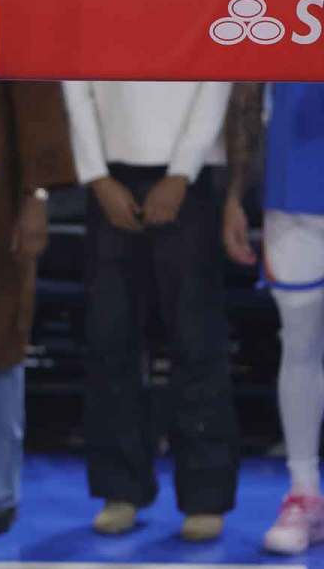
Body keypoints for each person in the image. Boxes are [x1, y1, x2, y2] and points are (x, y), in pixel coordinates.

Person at [64, 73, 237, 540]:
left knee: (197, 342)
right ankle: (120, 490)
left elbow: (215, 74)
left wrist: (182, 172)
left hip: (189, 178)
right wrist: (97, 177)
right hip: (109, 176)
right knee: (109, 341)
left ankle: (205, 496)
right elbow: (74, 81)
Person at [222, 82, 324, 555]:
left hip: (292, 188)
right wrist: (236, 194)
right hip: (294, 191)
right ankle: (304, 491)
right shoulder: (282, 3)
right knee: (300, 345)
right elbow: (247, 90)